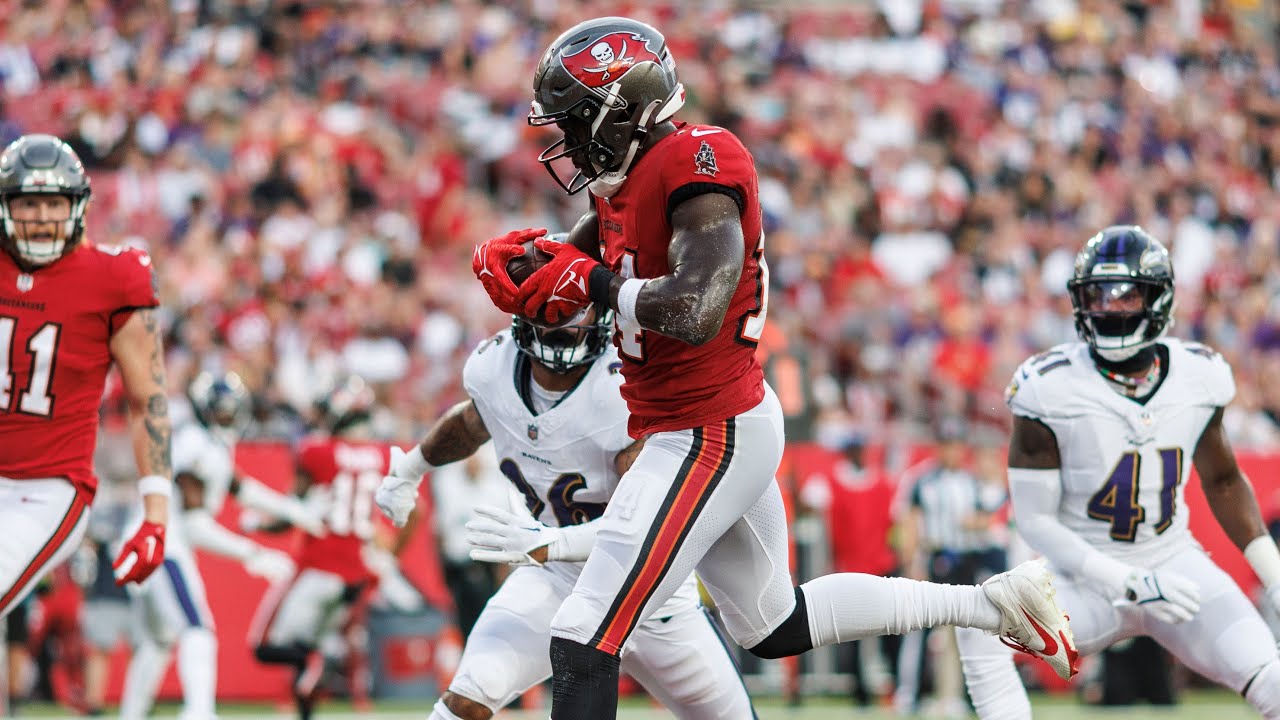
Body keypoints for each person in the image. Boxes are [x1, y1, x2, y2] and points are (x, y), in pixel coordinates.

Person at [470, 18, 1075, 718]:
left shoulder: (698, 162)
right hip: (705, 423)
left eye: (578, 121)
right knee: (773, 624)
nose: (569, 141)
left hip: (707, 430)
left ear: (624, 108)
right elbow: (575, 266)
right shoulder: (625, 178)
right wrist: (522, 264)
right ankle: (986, 603)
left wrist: (592, 286)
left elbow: (695, 307)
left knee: (583, 634)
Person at [376, 283, 757, 720]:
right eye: (550, 314)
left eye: (574, 314)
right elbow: (471, 422)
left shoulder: (623, 391)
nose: (562, 326)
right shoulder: (494, 367)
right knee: (466, 699)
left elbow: (642, 527)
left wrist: (545, 542)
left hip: (648, 591)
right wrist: (410, 470)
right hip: (556, 580)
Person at [956, 226, 1280, 719]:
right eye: (1096, 294)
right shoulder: (1048, 387)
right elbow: (1035, 520)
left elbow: (1223, 480)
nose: (1108, 307)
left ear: (1159, 298)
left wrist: (1273, 575)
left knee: (1272, 679)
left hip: (1175, 565)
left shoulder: (1200, 375)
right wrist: (1124, 579)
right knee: (982, 630)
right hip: (1082, 576)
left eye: (1125, 294)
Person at [0, 133, 170, 614]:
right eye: (27, 203)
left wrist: (155, 515)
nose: (40, 218)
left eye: (53, 203)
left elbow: (148, 401)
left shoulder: (115, 277)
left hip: (46, 489)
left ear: (78, 206)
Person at [119, 371, 311, 720]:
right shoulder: (195, 443)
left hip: (147, 540)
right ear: (205, 409)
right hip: (161, 544)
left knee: (157, 642)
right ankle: (199, 712)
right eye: (222, 411)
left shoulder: (207, 445)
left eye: (231, 410)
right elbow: (194, 525)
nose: (229, 418)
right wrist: (251, 553)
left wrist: (293, 511)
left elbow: (244, 489)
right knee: (198, 631)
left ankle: (131, 715)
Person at [250, 374, 415, 720]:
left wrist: (258, 524)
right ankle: (307, 704)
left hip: (318, 565)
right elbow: (419, 512)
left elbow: (290, 512)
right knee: (311, 649)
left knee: (265, 646)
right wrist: (390, 555)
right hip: (356, 575)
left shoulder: (317, 451)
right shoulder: (384, 456)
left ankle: (315, 662)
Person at [896, 418, 1008, 717]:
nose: (952, 451)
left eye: (956, 445)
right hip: (936, 557)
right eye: (947, 445)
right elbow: (911, 521)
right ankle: (912, 694)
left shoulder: (973, 482)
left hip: (965, 559)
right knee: (921, 627)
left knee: (966, 630)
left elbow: (987, 515)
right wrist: (912, 559)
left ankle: (960, 695)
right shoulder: (924, 480)